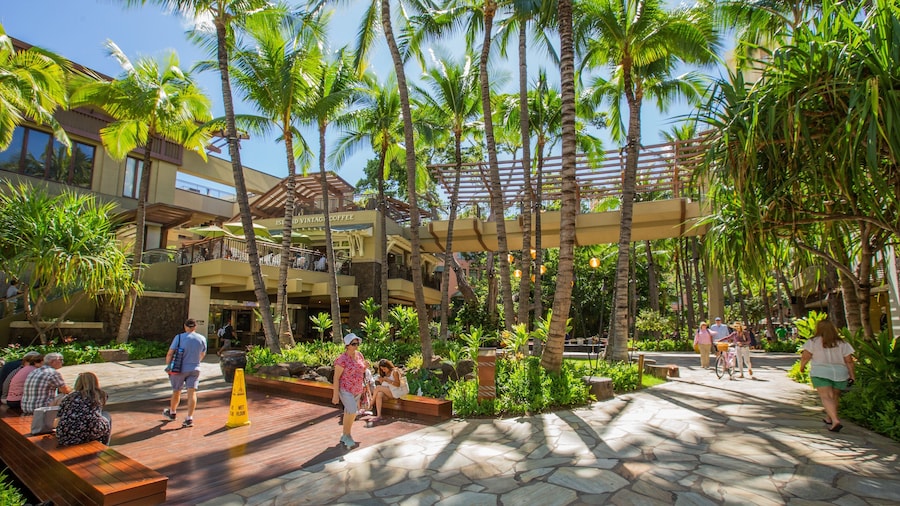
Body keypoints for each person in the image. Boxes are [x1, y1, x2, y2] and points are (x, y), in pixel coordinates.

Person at [799, 320, 855, 433]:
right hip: (840, 373)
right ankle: (829, 417)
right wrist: (852, 375)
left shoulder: (813, 342)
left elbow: (806, 356)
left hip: (821, 372)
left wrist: (802, 367)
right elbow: (849, 361)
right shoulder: (842, 343)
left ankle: (835, 420)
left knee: (826, 396)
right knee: (834, 396)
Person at [163, 318, 207, 428]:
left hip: (179, 369)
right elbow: (202, 354)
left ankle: (172, 412)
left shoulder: (179, 337)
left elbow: (170, 353)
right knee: (192, 392)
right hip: (195, 368)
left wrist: (168, 366)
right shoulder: (202, 338)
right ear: (195, 327)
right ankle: (189, 418)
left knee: (176, 391)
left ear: (185, 326)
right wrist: (196, 362)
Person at [56, 372, 111, 446]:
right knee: (106, 416)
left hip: (66, 433)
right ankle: (105, 444)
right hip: (88, 431)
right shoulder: (100, 394)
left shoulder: (69, 397)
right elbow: (98, 412)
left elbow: (60, 414)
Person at [331, 333, 365, 449]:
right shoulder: (342, 360)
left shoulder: (359, 355)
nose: (356, 346)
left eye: (357, 343)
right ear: (347, 346)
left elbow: (360, 370)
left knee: (349, 412)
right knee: (352, 410)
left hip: (357, 388)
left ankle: (345, 435)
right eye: (353, 344)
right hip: (345, 389)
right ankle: (347, 434)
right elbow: (336, 377)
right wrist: (335, 395)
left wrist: (365, 367)